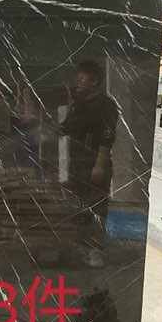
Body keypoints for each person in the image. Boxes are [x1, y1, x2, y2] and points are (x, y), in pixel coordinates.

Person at [60, 61, 119, 269]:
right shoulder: (78, 105)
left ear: (94, 81)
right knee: (79, 207)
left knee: (96, 207)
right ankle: (83, 248)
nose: (76, 82)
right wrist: (42, 128)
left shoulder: (105, 105)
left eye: (81, 79)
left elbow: (107, 136)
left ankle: (96, 252)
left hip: (94, 164)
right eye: (76, 79)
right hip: (77, 165)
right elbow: (66, 127)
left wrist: (99, 165)